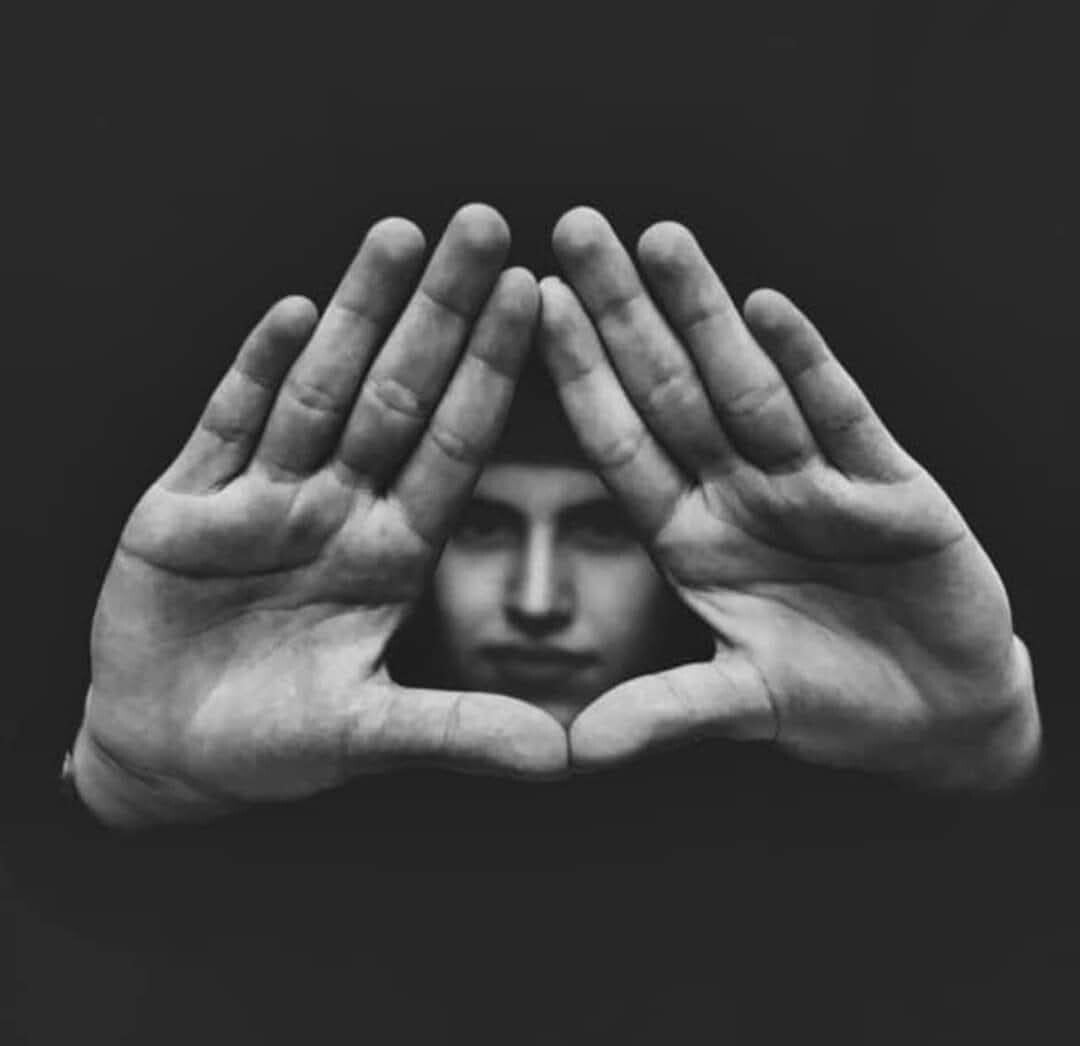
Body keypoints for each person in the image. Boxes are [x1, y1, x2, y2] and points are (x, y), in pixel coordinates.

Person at [64, 202, 1042, 830]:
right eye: (483, 528)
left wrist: (988, 750)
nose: (538, 601)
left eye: (603, 530)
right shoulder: (281, 813)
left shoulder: (817, 831)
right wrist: (122, 785)